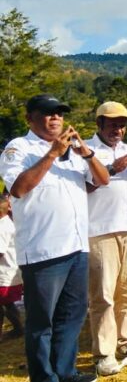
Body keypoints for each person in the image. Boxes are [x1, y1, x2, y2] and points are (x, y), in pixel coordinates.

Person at [0, 94, 109, 382]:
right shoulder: (18, 148)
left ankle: (65, 372)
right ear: (30, 118)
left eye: (60, 113)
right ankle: (44, 377)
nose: (56, 118)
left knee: (72, 315)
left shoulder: (72, 151)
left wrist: (87, 153)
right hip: (43, 250)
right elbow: (18, 189)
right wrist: (51, 154)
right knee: (42, 321)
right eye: (48, 113)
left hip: (76, 246)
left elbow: (102, 180)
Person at [86, 101, 127, 375]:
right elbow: (84, 186)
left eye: (123, 125)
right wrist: (113, 168)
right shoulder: (85, 151)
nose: (119, 129)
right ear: (99, 123)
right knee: (103, 294)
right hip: (99, 230)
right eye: (113, 124)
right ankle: (104, 353)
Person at [0, 190, 23, 341]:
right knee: (8, 304)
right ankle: (18, 328)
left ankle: (17, 329)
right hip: (10, 272)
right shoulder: (8, 223)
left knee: (5, 304)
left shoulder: (2, 228)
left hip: (4, 274)